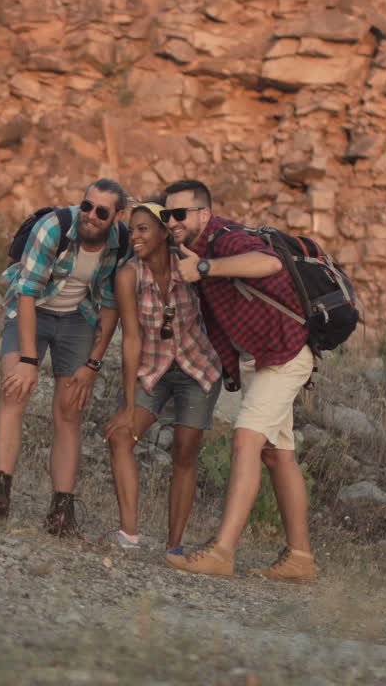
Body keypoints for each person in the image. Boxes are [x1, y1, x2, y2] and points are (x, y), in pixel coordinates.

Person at [160, 179, 318, 583]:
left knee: (246, 439)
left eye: (179, 214)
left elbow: (269, 264)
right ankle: (300, 559)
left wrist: (206, 268)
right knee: (277, 454)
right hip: (260, 360)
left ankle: (222, 551)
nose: (172, 221)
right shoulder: (191, 249)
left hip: (285, 354)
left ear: (202, 214)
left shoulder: (227, 239)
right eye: (167, 214)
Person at [0, 179, 128, 537]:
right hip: (32, 310)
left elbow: (112, 308)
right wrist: (27, 359)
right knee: (14, 390)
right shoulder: (53, 227)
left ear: (117, 216)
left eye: (102, 211)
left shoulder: (121, 243)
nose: (90, 215)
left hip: (77, 317)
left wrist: (92, 365)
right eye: (86, 206)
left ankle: (61, 512)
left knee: (69, 410)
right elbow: (26, 294)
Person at [103, 200, 221, 554]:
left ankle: (174, 546)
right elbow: (132, 338)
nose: (135, 236)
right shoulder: (129, 275)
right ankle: (129, 534)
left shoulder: (188, 264)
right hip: (153, 369)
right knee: (121, 435)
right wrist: (127, 404)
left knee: (185, 454)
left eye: (143, 229)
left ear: (162, 232)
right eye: (132, 230)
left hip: (198, 368)